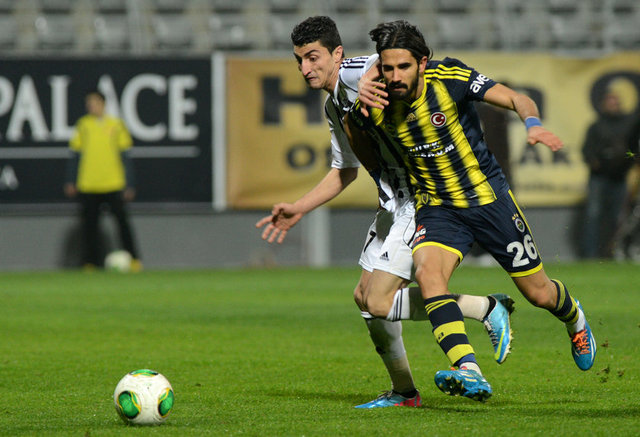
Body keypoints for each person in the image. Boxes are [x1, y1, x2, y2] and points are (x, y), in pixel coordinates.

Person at [255, 16, 513, 408]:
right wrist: (299, 208)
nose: (305, 68)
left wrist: (368, 80)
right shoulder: (334, 105)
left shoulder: (357, 73)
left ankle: (484, 308)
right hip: (391, 203)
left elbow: (389, 61)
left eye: (313, 57)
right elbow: (345, 170)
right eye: (299, 60)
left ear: (337, 54)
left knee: (379, 300)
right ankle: (404, 392)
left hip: (420, 199)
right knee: (364, 298)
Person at [353, 20, 596, 401]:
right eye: (387, 68)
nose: (395, 76)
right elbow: (353, 130)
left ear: (422, 62)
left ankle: (575, 320)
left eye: (403, 67)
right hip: (438, 207)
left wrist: (532, 124)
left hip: (489, 202)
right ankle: (468, 369)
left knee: (539, 294)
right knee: (429, 275)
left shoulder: (449, 78)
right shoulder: (372, 103)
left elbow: (517, 98)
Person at [64, 90, 142, 272]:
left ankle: (134, 258)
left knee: (122, 224)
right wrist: (71, 180)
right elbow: (75, 155)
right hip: (89, 184)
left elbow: (125, 156)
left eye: (94, 102)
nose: (91, 106)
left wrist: (130, 183)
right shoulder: (83, 125)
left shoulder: (116, 125)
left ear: (103, 104)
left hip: (113, 183)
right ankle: (90, 262)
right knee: (89, 226)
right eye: (89, 103)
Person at [581, 91, 637, 259]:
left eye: (615, 102)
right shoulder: (596, 126)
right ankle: (590, 255)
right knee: (593, 215)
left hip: (619, 177)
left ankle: (614, 253)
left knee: (618, 218)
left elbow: (632, 149)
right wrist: (594, 162)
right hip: (599, 177)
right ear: (603, 105)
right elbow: (586, 150)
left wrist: (627, 162)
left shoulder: (628, 126)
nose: (613, 105)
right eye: (610, 102)